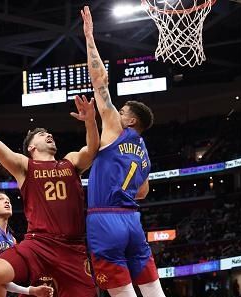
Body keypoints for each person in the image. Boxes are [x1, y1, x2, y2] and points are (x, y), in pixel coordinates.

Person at [0, 80, 99, 297]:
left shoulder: (71, 161)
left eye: (49, 134)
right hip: (38, 244)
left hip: (73, 248)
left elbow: (92, 150)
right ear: (31, 147)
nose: (49, 135)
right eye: (42, 135)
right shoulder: (24, 166)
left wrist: (90, 122)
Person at [81, 6, 166, 297]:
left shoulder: (116, 128)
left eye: (123, 110)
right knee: (154, 291)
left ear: (129, 120)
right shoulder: (144, 153)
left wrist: (90, 38)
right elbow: (142, 193)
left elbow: (100, 83)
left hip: (105, 219)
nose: (118, 110)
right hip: (132, 221)